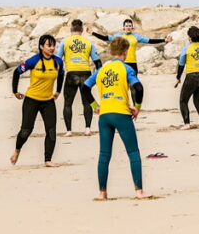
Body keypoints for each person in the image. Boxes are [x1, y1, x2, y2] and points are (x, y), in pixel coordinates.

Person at [80, 37, 151, 200]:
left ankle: (102, 192)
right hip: (121, 113)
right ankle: (139, 191)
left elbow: (85, 88)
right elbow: (139, 88)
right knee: (133, 152)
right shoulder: (126, 68)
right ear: (125, 52)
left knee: (104, 154)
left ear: (112, 52)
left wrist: (94, 106)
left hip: (104, 115)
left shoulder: (101, 70)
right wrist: (137, 107)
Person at [11, 35, 65, 166]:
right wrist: (15, 91)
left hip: (48, 101)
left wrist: (58, 91)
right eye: (49, 45)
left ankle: (48, 160)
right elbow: (16, 72)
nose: (52, 48)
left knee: (51, 131)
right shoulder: (33, 61)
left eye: (53, 45)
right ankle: (17, 150)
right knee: (26, 131)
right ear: (41, 47)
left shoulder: (58, 62)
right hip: (31, 100)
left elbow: (61, 74)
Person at [57, 20, 101, 136]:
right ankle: (87, 129)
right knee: (87, 103)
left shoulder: (64, 42)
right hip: (86, 74)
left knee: (68, 103)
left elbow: (57, 61)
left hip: (71, 73)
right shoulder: (88, 42)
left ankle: (69, 131)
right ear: (81, 30)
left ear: (71, 29)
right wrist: (96, 78)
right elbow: (98, 63)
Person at [91, 18, 167, 73]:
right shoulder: (119, 36)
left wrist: (164, 40)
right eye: (126, 26)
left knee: (134, 87)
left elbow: (150, 41)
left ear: (132, 27)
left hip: (132, 63)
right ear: (123, 27)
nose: (128, 27)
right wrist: (93, 33)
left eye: (130, 26)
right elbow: (105, 38)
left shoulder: (136, 37)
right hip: (121, 63)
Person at [175, 25, 199, 129]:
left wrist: (178, 77)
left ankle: (187, 124)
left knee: (183, 101)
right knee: (197, 101)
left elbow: (181, 64)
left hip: (192, 76)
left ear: (189, 37)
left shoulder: (187, 48)